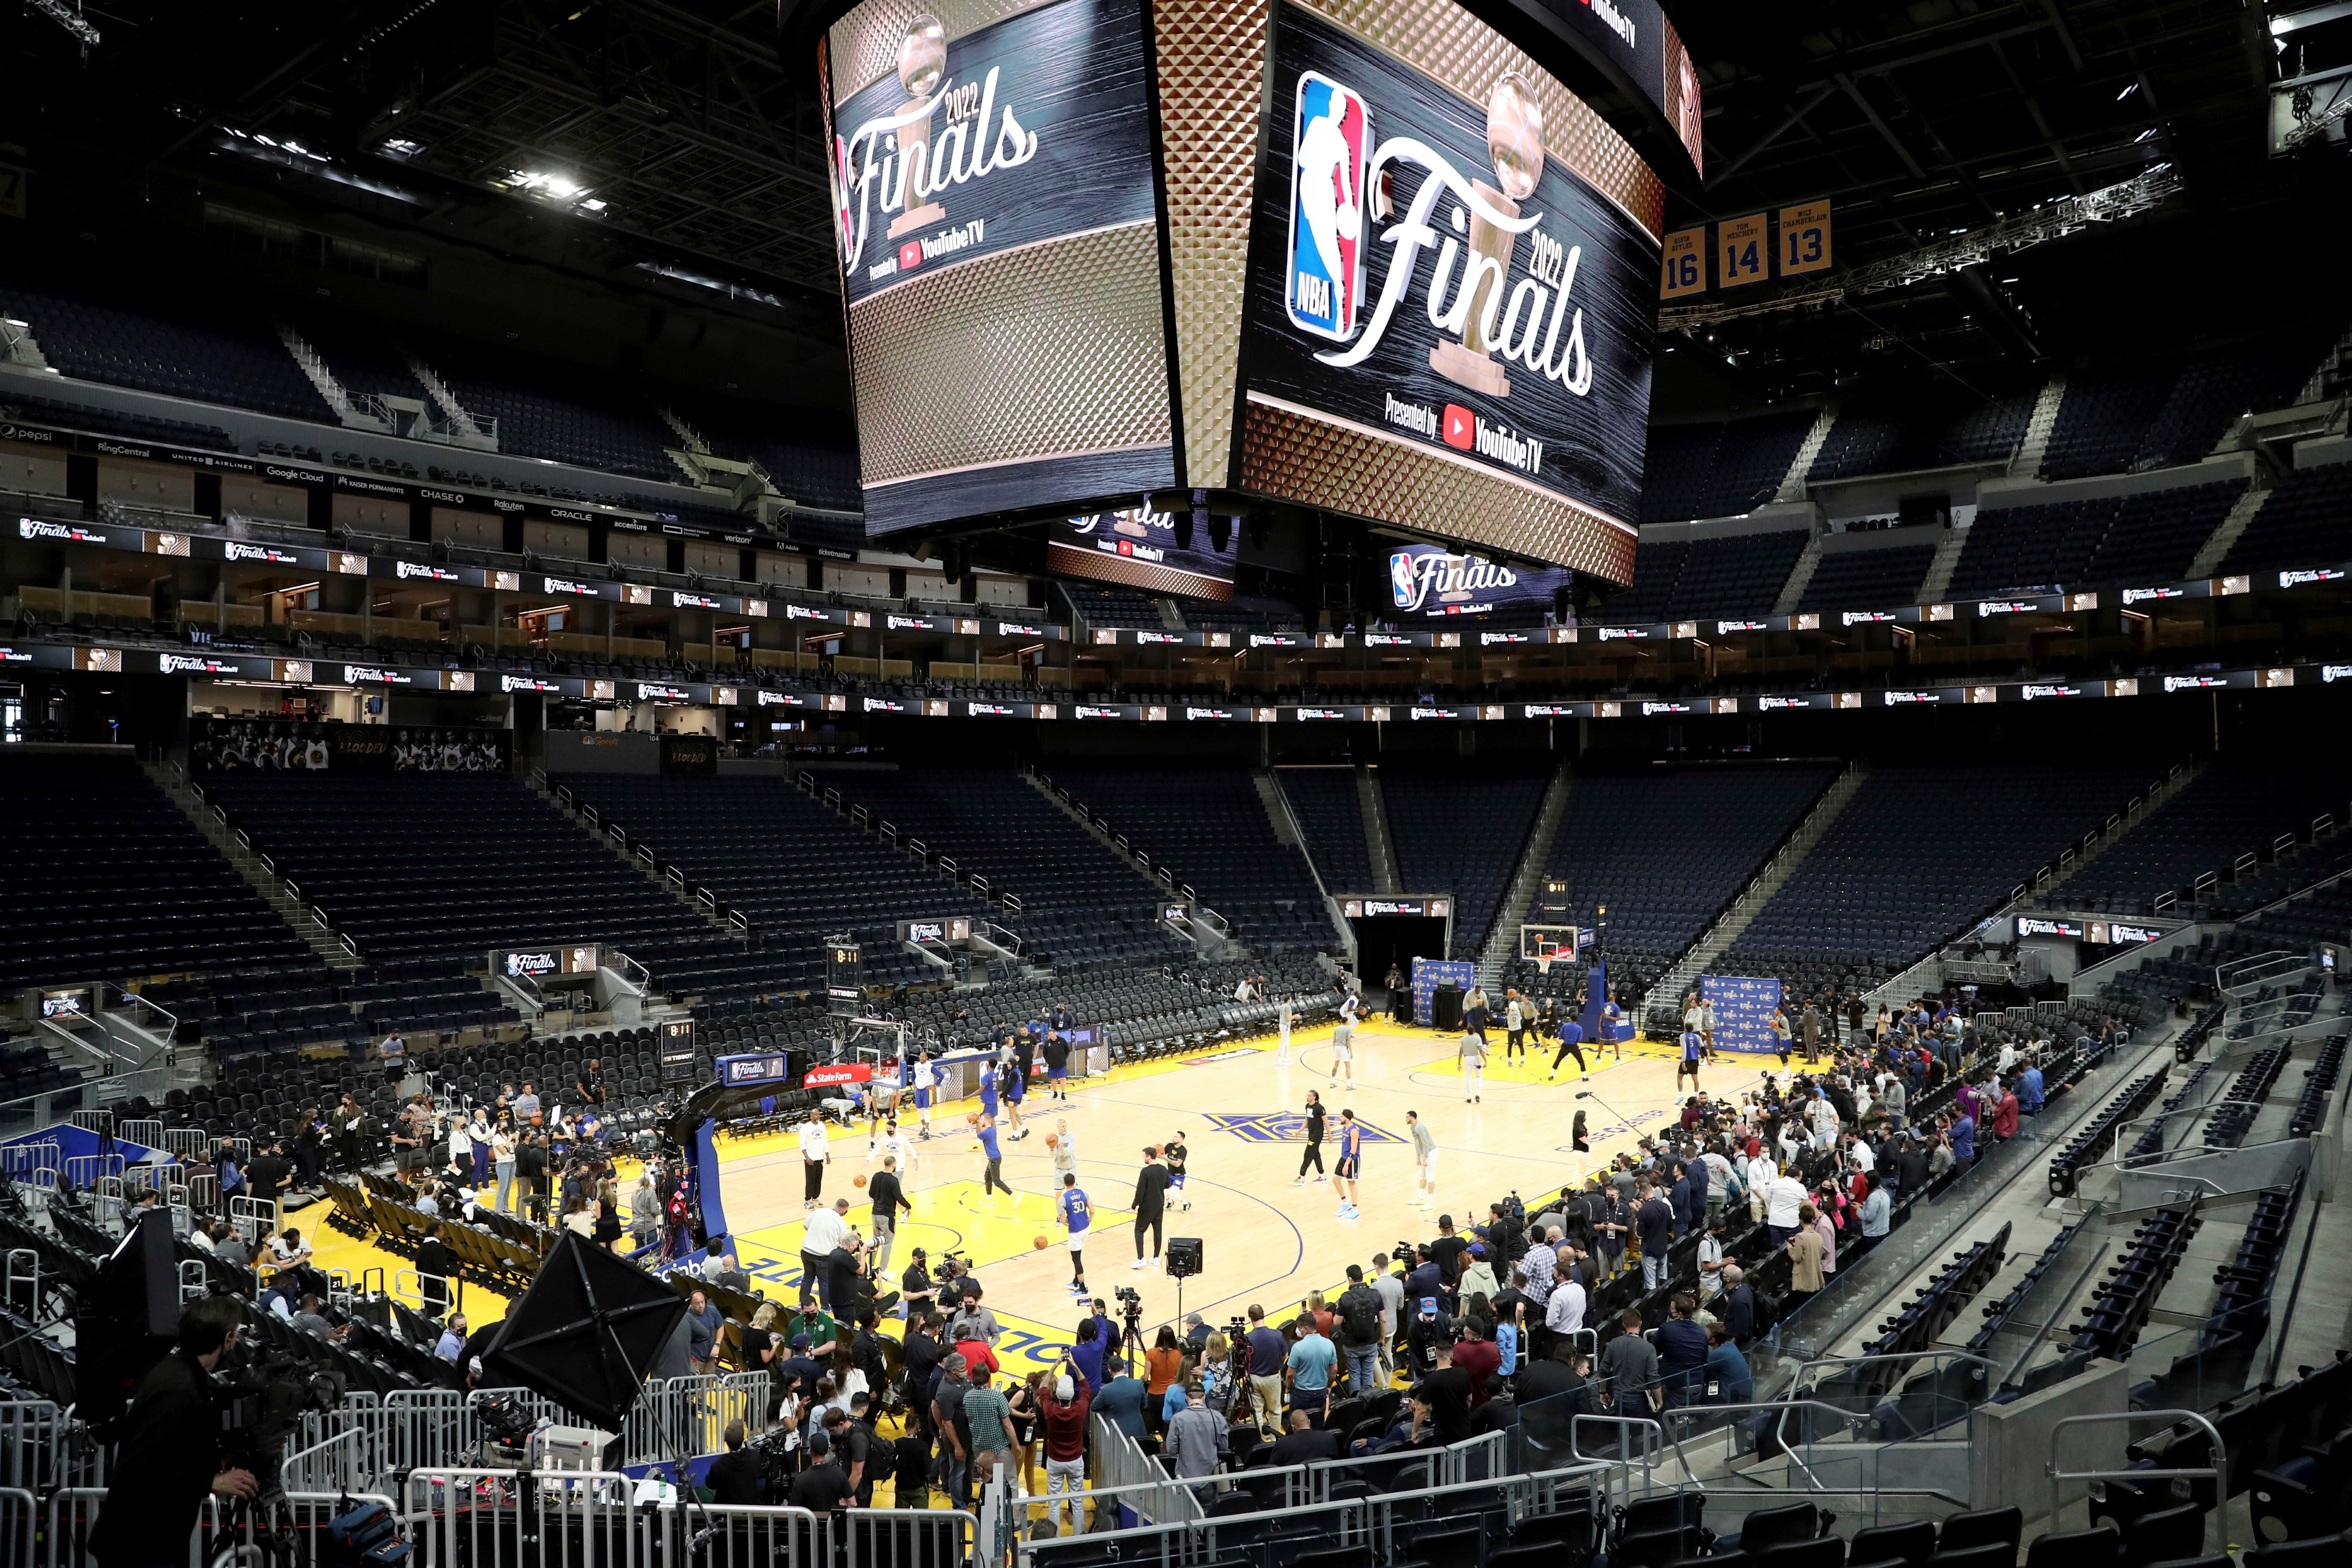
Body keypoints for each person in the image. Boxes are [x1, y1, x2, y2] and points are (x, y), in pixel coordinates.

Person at [89, 1296, 256, 1566]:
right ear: (228, 1338)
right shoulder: (179, 1389)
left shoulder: (180, 1373)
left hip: (148, 1538)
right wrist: (211, 1482)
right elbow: (138, 1469)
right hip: (139, 1544)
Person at [1039, 1359, 1091, 1531]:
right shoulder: (1080, 1409)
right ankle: (1078, 1540)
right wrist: (1075, 1365)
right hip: (1075, 1460)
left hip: (1055, 1460)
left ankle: (1054, 1541)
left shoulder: (1050, 1410)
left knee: (1054, 1504)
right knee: (1077, 1503)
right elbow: (1086, 1389)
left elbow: (1043, 1388)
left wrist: (1055, 1365)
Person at [1598, 1307, 1657, 1417]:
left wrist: (1602, 1392)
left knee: (1622, 1429)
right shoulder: (1649, 1348)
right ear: (1640, 1323)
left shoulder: (1613, 1344)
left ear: (1624, 1324)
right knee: (1639, 1431)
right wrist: (1659, 1401)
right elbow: (1654, 1377)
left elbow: (1602, 1371)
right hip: (1639, 1397)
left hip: (1619, 1396)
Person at [1655, 1295, 1708, 1408]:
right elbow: (1704, 1361)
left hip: (1677, 1385)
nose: (1669, 1311)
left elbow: (1656, 1352)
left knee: (1670, 1419)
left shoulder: (1666, 1328)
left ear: (1679, 1314)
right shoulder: (1701, 1332)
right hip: (1698, 1384)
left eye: (1672, 1309)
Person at [1165, 1383, 1226, 1480]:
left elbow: (1172, 1450)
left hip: (1185, 1479)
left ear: (1186, 1398)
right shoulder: (1217, 1417)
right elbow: (1224, 1446)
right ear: (1204, 1397)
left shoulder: (1178, 1419)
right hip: (1210, 1479)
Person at [802, 1196, 850, 1312]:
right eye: (845, 1212)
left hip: (806, 1251)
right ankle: (825, 1307)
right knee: (824, 1281)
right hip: (822, 1256)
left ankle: (802, 1302)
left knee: (808, 1278)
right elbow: (844, 1240)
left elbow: (805, 1225)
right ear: (840, 1211)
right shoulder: (840, 1221)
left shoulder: (819, 1211)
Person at [870, 1153, 913, 1281]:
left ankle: (870, 1267)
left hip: (875, 1214)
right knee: (887, 1243)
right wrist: (908, 1207)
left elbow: (871, 1194)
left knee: (876, 1241)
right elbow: (898, 1197)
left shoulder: (876, 1176)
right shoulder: (893, 1180)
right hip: (887, 1216)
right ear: (894, 1165)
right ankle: (883, 1271)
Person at [1288, 1313, 1338, 1422]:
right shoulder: (1329, 1344)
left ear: (1305, 1329)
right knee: (1318, 1422)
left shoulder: (1298, 1347)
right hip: (1321, 1391)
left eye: (1299, 1327)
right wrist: (1329, 1386)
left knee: (1297, 1423)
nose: (1297, 1330)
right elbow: (1334, 1371)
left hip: (1302, 1393)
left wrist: (1288, 1388)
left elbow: (1290, 1374)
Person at [706, 1420, 767, 1504]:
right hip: (752, 1506)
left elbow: (711, 1485)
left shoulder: (718, 1465)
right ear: (743, 1439)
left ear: (726, 1441)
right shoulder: (755, 1456)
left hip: (727, 1510)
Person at [1131, 1146, 1171, 1269]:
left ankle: (1141, 1258)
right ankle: (1156, 1258)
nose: (1144, 1158)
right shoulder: (1164, 1169)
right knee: (1157, 1231)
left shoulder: (1146, 1172)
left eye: (1144, 1156)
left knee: (1139, 1231)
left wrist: (1134, 1205)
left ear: (1149, 1156)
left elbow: (1140, 1191)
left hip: (1147, 1206)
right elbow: (1167, 1185)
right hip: (1159, 1205)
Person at [1786, 1203, 1827, 1311]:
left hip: (1804, 1279)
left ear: (1801, 1220)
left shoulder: (1800, 1237)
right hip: (1815, 1277)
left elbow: (1797, 1258)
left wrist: (1790, 1248)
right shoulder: (1818, 1236)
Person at [1704, 1323, 1753, 1404]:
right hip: (1744, 1394)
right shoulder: (1731, 1345)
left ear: (1713, 1340)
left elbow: (1705, 1373)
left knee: (1700, 1394)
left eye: (1706, 1334)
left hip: (1732, 1397)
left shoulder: (1717, 1354)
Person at [1334, 1109, 1364, 1221]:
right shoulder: (1344, 1128)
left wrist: (1347, 1164)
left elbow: (1354, 1149)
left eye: (1341, 1116)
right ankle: (1345, 1203)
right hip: (1344, 1157)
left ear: (1346, 1118)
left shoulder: (1354, 1131)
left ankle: (1355, 1210)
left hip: (1352, 1160)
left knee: (1351, 1183)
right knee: (1336, 1180)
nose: (1340, 1118)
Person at [977, 1114, 1013, 1206]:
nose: (981, 1121)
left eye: (982, 1120)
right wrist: (981, 1125)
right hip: (995, 1158)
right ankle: (989, 1198)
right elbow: (982, 1134)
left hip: (994, 1159)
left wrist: (969, 1127)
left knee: (997, 1181)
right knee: (987, 1176)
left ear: (986, 1121)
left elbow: (975, 1136)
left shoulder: (987, 1132)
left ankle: (1013, 1195)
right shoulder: (992, 1129)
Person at [799, 1113, 832, 1210]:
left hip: (820, 1157)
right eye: (816, 1115)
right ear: (811, 1116)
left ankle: (815, 1197)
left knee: (818, 1180)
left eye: (819, 1114)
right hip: (810, 1159)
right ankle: (807, 1200)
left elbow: (824, 1141)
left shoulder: (822, 1126)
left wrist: (827, 1155)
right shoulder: (806, 1127)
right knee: (810, 1180)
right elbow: (802, 1143)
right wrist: (807, 1157)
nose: (818, 1116)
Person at [1295, 1090, 1327, 1185]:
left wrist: (1329, 1136)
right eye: (1307, 1095)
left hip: (1317, 1135)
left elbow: (1326, 1122)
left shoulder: (1319, 1108)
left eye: (1309, 1096)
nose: (1307, 1097)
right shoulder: (1308, 1106)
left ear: (1314, 1097)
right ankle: (1323, 1176)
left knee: (1308, 1154)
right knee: (1316, 1155)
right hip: (1311, 1134)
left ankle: (1302, 1178)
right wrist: (1300, 1130)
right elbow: (1307, 1120)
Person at [1408, 1109, 1437, 1209]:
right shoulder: (1412, 1128)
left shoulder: (1420, 1127)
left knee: (1430, 1176)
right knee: (1423, 1176)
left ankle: (1430, 1202)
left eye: (1407, 1118)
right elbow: (1417, 1143)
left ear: (1412, 1118)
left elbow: (1426, 1143)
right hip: (1423, 1153)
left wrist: (1425, 1157)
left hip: (1430, 1152)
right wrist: (1418, 1157)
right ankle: (1420, 1198)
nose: (1406, 1120)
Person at [1550, 1013, 1588, 1081]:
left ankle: (1552, 1075)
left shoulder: (1565, 1026)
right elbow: (1579, 1039)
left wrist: (1567, 1039)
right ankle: (1584, 1077)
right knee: (1581, 1061)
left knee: (1558, 1059)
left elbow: (1561, 1035)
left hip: (1565, 1046)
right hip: (1574, 1046)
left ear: (1570, 1018)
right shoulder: (1579, 1028)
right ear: (1577, 1019)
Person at [1458, 1023, 1486, 1105]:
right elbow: (1481, 1050)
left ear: (1467, 1031)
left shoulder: (1463, 1039)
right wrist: (1485, 1060)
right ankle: (1478, 1094)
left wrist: (1459, 1063)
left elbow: (1461, 1052)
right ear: (1474, 1031)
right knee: (1479, 1076)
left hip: (1467, 1058)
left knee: (1468, 1077)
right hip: (1476, 1058)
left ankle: (1469, 1096)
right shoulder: (1478, 1039)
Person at [1165, 1129, 1191, 1212]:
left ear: (1181, 1139)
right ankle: (1170, 1202)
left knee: (1173, 1193)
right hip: (1169, 1174)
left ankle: (1186, 1203)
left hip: (1179, 1175)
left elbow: (1177, 1164)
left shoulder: (1183, 1151)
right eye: (1173, 1136)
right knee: (1165, 1192)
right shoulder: (1169, 1146)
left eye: (1176, 1137)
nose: (1173, 1138)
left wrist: (1165, 1158)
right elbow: (1161, 1153)